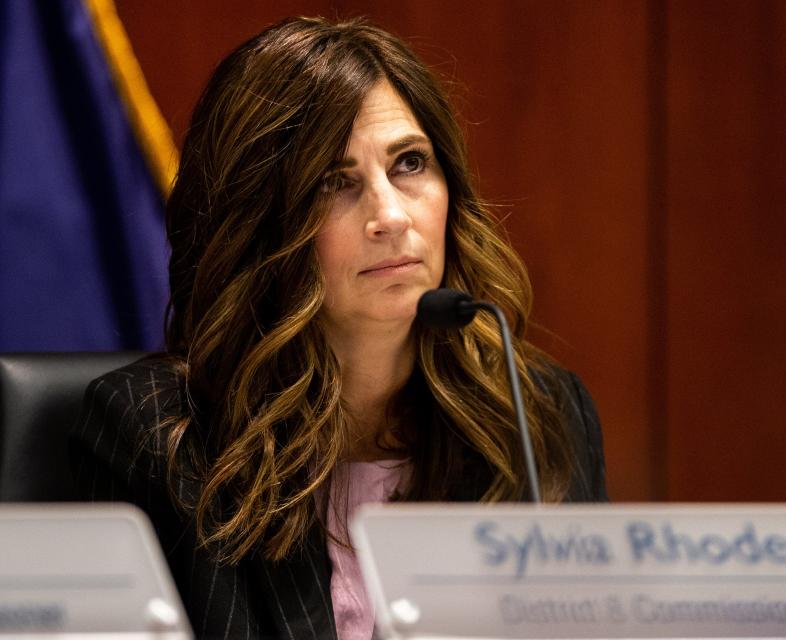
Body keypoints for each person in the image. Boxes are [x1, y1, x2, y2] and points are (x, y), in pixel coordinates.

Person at [70, 16, 606, 640]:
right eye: (334, 181)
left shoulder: (537, 416)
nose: (390, 214)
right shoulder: (158, 438)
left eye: (409, 163)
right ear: (261, 225)